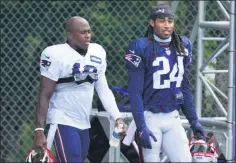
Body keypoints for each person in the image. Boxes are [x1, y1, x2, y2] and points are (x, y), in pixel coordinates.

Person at [33, 16, 127, 162]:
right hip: (61, 119)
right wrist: (39, 130)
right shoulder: (54, 54)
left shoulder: (98, 52)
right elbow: (44, 94)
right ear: (70, 35)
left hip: (84, 122)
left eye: (89, 31)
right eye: (83, 32)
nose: (88, 35)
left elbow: (103, 90)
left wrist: (117, 117)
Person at [124, 4, 206, 162]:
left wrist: (193, 120)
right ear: (152, 23)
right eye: (162, 21)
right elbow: (134, 91)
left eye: (170, 20)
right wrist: (141, 127)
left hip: (172, 117)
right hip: (149, 118)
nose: (167, 24)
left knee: (184, 160)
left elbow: (184, 87)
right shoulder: (140, 46)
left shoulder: (183, 45)